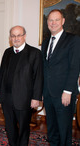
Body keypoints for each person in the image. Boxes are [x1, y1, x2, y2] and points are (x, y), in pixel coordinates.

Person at [0, 26, 43, 146]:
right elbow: (2, 73)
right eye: (13, 36)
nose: (16, 38)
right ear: (10, 37)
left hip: (24, 98)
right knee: (10, 127)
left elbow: (38, 77)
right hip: (7, 98)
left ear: (24, 36)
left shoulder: (35, 53)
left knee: (23, 129)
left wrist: (36, 98)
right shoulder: (7, 52)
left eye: (19, 35)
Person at [41, 9, 80, 146]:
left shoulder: (73, 40)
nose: (53, 23)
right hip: (48, 94)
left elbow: (75, 67)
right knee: (52, 129)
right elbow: (45, 69)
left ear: (63, 21)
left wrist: (68, 91)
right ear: (47, 22)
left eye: (57, 20)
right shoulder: (45, 43)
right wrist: (42, 92)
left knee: (64, 131)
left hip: (64, 94)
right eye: (51, 20)